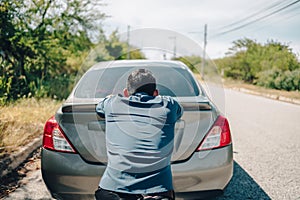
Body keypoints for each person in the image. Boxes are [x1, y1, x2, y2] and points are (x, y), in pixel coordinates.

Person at [95, 68, 183, 200]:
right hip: (158, 191)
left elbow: (99, 108)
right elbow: (179, 112)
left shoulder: (112, 104)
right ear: (156, 93)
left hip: (113, 190)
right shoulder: (168, 105)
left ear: (126, 92)